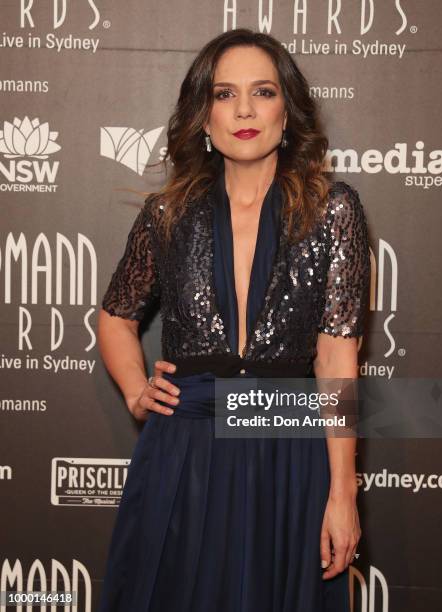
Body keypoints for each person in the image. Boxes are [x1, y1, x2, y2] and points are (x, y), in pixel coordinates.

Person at [97, 28, 370, 612]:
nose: (244, 109)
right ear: (203, 114)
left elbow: (336, 357)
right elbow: (115, 315)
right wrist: (134, 391)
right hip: (187, 451)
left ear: (288, 112)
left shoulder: (333, 209)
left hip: (289, 452)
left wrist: (342, 491)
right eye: (224, 94)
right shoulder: (167, 214)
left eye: (263, 92)